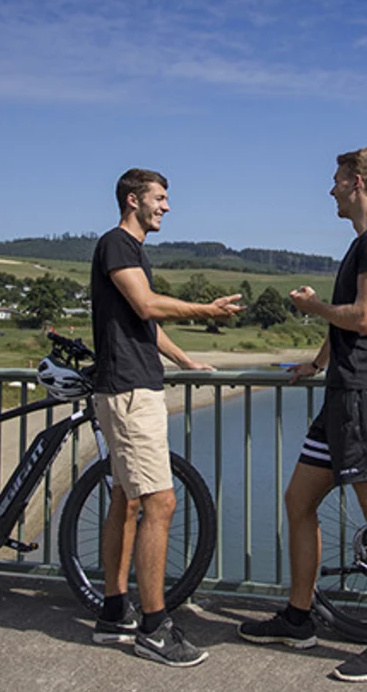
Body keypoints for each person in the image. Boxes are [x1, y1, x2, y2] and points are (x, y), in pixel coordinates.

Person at [238, 148, 367, 682]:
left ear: (356, 183)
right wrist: (315, 363)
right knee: (299, 500)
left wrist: (313, 308)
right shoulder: (361, 244)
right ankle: (299, 616)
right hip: (340, 391)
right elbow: (346, 328)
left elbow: (364, 318)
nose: (330, 189)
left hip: (363, 393)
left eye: (336, 180)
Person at [89, 168, 243, 667]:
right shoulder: (117, 244)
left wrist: (185, 361)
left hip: (132, 386)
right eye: (160, 198)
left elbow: (145, 324)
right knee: (160, 502)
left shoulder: (131, 250)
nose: (167, 207)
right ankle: (154, 628)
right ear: (133, 200)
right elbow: (146, 303)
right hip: (130, 393)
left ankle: (115, 611)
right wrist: (206, 310)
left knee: (126, 498)